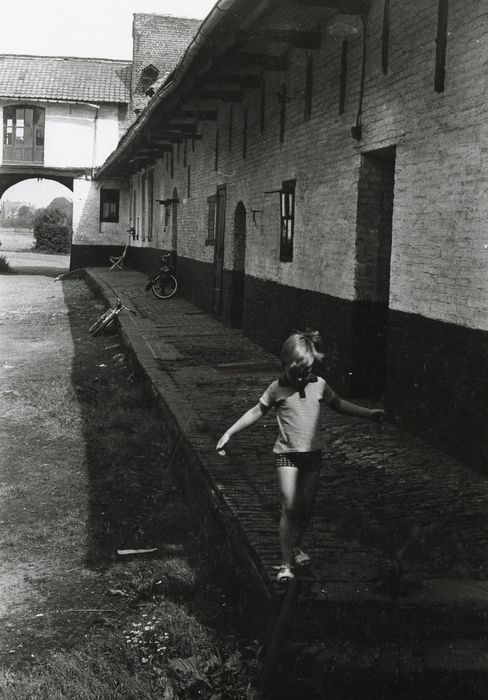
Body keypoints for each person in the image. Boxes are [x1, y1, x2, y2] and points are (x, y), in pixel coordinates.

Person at [216, 330, 384, 584]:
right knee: (289, 504)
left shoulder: (319, 385)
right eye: (297, 373)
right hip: (287, 455)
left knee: (306, 508)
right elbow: (255, 411)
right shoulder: (276, 389)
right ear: (284, 365)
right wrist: (229, 432)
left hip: (312, 455)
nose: (302, 377)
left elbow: (339, 404)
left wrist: (368, 412)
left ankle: (295, 545)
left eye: (306, 372)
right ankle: (285, 564)